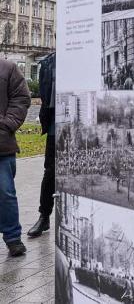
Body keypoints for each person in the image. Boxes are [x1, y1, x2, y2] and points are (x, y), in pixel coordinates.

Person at [0, 59, 31, 257]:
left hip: (1, 144)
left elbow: (21, 98)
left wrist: (6, 125)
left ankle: (13, 238)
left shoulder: (8, 68)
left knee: (5, 193)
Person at [28, 51, 55, 238]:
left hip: (81, 119)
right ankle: (44, 216)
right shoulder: (48, 63)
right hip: (55, 121)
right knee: (50, 171)